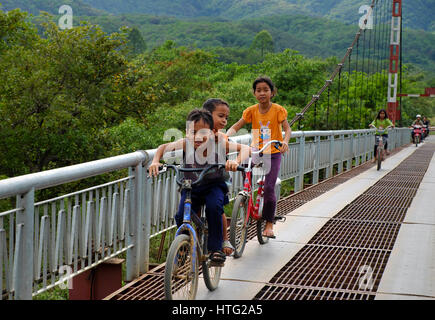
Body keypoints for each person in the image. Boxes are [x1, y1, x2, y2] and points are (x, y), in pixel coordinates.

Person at [149, 109, 250, 266]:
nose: (197, 137)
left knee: (214, 208)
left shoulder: (219, 144)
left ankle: (215, 249)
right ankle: (184, 245)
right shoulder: (185, 143)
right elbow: (163, 147)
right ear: (186, 132)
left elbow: (245, 149)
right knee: (181, 214)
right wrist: (155, 161)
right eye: (192, 132)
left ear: (213, 132)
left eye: (203, 132)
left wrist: (235, 161)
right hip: (192, 187)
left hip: (214, 186)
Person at [227, 76, 291, 239]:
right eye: (258, 90)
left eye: (265, 90)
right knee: (244, 168)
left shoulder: (278, 110)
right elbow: (237, 125)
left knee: (269, 188)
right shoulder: (251, 111)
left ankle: (269, 223)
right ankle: (247, 197)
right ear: (254, 93)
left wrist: (285, 142)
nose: (262, 93)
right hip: (257, 151)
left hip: (274, 152)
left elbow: (287, 129)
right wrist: (224, 136)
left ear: (272, 92)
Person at [202, 98, 235, 256]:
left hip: (217, 179)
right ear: (207, 115)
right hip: (198, 179)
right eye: (221, 116)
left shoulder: (222, 137)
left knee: (217, 208)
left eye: (226, 117)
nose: (224, 120)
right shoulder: (196, 134)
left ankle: (224, 238)